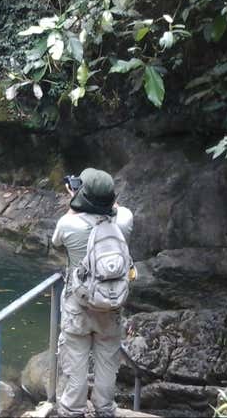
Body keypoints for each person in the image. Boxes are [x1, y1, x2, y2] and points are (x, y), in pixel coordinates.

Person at [51, 168, 134, 418]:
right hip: (112, 305)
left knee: (75, 363)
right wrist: (99, 198)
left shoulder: (69, 223)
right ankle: (105, 410)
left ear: (81, 195)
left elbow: (56, 242)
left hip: (79, 305)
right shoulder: (125, 220)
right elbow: (117, 209)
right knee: (107, 362)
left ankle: (73, 411)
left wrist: (74, 202)